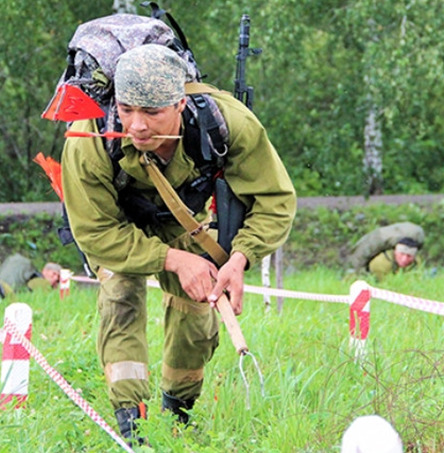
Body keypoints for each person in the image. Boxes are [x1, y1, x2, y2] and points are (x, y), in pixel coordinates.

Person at [60, 44, 296, 442]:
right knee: (120, 297)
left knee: (197, 309)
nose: (136, 125)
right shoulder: (90, 137)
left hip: (183, 219)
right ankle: (131, 424)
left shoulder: (228, 123)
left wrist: (240, 258)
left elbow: (275, 201)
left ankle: (176, 415)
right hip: (116, 226)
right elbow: (96, 233)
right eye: (127, 108)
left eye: (151, 112)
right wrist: (171, 260)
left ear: (180, 102)